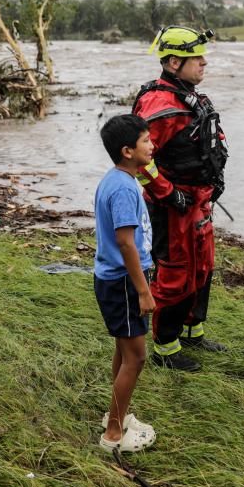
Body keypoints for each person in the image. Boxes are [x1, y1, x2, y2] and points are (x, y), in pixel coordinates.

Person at [132, 26, 229, 372]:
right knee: (176, 274)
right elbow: (138, 158)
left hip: (199, 201)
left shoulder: (189, 96)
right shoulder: (159, 104)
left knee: (202, 268)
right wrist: (169, 194)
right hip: (174, 207)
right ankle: (166, 349)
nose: (204, 63)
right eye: (196, 58)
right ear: (174, 62)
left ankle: (192, 332)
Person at [94, 114, 159, 452]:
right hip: (124, 282)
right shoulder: (122, 188)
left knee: (124, 349)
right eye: (146, 140)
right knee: (136, 357)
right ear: (127, 151)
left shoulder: (118, 179)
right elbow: (125, 242)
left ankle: (115, 415)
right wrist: (143, 291)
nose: (152, 145)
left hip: (118, 279)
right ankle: (114, 435)